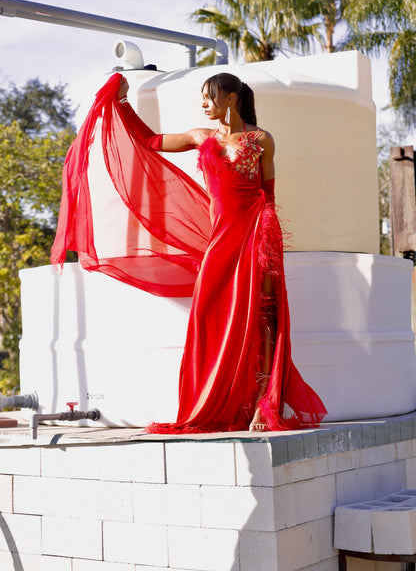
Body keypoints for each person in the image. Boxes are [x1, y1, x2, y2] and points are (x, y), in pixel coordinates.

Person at [51, 71, 326, 433]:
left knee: (265, 318)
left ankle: (264, 403)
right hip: (221, 240)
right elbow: (149, 141)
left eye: (209, 98)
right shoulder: (201, 137)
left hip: (257, 235)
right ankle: (209, 400)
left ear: (230, 97)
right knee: (207, 317)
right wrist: (121, 103)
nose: (203, 105)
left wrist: (268, 241)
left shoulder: (261, 140)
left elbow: (268, 195)